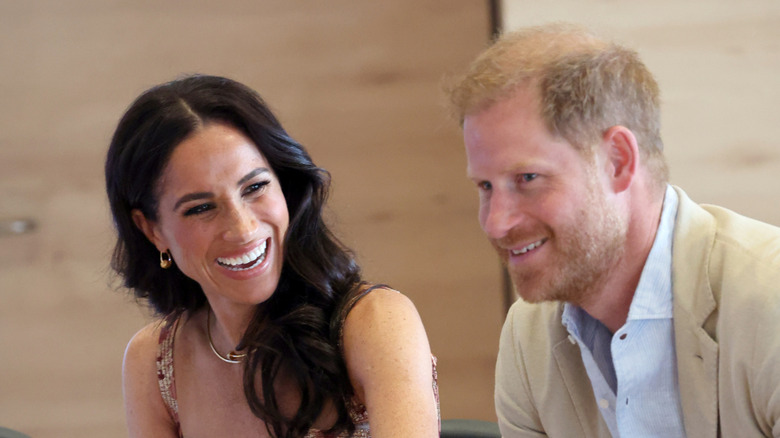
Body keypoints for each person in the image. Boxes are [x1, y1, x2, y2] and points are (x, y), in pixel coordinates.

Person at [446, 23, 780, 437]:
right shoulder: (527, 338)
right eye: (485, 187)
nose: (496, 222)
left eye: (528, 178)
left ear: (617, 161)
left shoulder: (770, 302)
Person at [105, 74, 440, 438]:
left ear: (285, 186)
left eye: (255, 187)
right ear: (152, 230)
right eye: (201, 208)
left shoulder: (375, 324)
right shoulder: (153, 363)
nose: (243, 229)